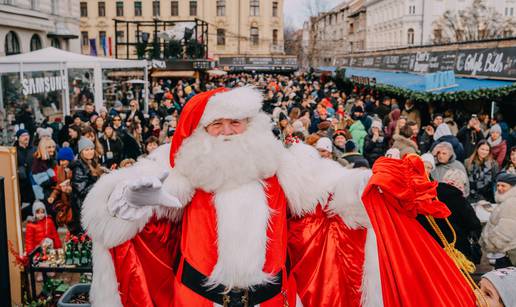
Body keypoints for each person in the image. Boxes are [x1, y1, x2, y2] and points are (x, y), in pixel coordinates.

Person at [82, 87, 377, 307]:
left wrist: (363, 188)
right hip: (197, 299)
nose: (226, 132)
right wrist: (126, 200)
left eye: (235, 122)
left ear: (250, 123)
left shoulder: (283, 164)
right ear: (202, 130)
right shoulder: (181, 166)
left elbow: (332, 194)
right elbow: (128, 193)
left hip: (272, 299)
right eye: (216, 124)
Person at [361, 155, 476, 306]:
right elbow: (473, 224)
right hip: (441, 261)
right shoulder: (426, 197)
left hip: (421, 263)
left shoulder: (395, 208)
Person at [417, 169, 482, 263]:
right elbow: (474, 225)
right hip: (456, 250)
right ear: (460, 184)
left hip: (430, 248)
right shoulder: (459, 200)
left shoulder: (428, 197)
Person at [69, 138, 104, 235]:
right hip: (83, 208)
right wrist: (100, 182)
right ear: (81, 152)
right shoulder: (79, 167)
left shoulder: (92, 163)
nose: (90, 152)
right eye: (86, 150)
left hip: (92, 207)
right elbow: (81, 191)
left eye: (91, 149)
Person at [480, 172, 516, 268]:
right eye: (498, 185)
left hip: (508, 253)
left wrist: (491, 244)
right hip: (507, 252)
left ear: (512, 187)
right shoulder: (507, 201)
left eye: (503, 186)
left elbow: (506, 231)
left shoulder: (511, 202)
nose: (499, 188)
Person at [48, 147, 74, 227]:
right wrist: (53, 196)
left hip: (74, 202)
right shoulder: (60, 169)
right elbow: (59, 185)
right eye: (60, 160)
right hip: (65, 203)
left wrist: (69, 177)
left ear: (69, 159)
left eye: (63, 160)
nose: (61, 163)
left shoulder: (75, 169)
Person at [14, 129, 35, 218]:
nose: (26, 137)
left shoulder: (34, 149)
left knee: (33, 202)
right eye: (23, 135)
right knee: (19, 203)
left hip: (32, 182)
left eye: (27, 135)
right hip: (20, 183)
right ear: (18, 138)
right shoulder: (14, 150)